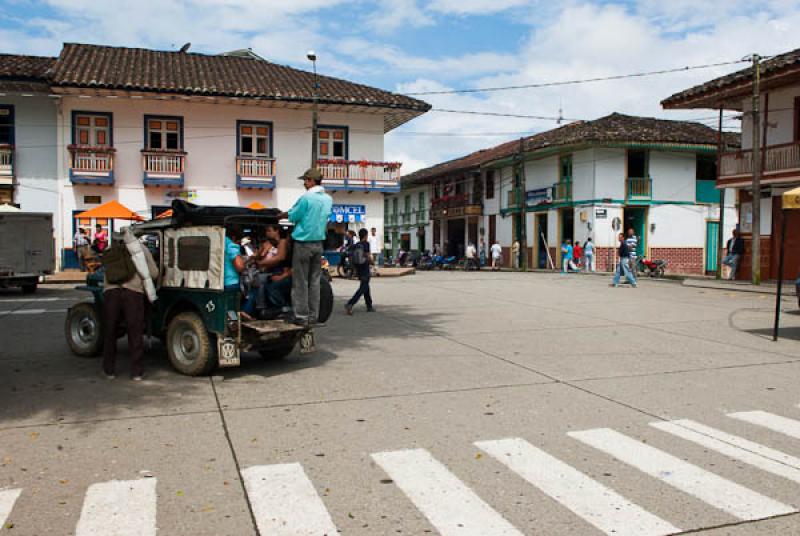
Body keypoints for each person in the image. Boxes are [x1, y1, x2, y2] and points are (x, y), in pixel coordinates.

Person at [278, 168, 333, 326]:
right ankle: (313, 315)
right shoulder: (328, 199)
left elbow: (294, 215)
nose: (304, 183)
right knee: (314, 281)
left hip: (303, 243)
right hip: (318, 244)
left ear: (310, 181)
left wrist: (281, 215)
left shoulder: (306, 198)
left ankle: (301, 316)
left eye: (305, 180)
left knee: (300, 281)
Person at [102, 233, 158, 381]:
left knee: (110, 331)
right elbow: (153, 273)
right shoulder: (141, 248)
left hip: (111, 293)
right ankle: (136, 372)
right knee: (135, 332)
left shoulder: (110, 249)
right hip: (133, 293)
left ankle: (109, 370)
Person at [255, 224, 292, 313]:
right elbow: (259, 256)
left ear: (277, 231)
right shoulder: (271, 244)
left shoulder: (282, 242)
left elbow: (280, 257)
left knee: (262, 281)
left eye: (269, 230)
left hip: (282, 272)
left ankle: (280, 307)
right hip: (275, 271)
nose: (267, 233)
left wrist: (261, 263)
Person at [223, 228, 254, 319]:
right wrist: (246, 262)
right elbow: (239, 267)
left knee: (227, 308)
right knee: (231, 309)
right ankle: (236, 323)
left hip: (219, 282)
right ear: (233, 237)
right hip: (231, 282)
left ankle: (237, 318)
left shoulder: (219, 241)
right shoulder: (230, 245)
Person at [345, 228, 375, 314]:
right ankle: (350, 303)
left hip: (358, 267)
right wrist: (372, 263)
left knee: (365, 286)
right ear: (366, 235)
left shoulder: (356, 245)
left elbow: (350, 256)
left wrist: (353, 268)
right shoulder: (366, 244)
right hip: (365, 267)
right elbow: (367, 255)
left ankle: (369, 306)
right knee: (363, 287)